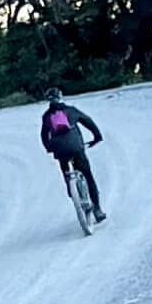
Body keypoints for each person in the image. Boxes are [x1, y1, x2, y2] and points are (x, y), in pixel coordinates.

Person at [38, 87, 105, 220]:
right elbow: (89, 121)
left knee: (66, 174)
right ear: (61, 96)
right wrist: (97, 137)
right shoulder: (71, 110)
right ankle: (97, 209)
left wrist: (49, 148)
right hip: (76, 147)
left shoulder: (47, 116)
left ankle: (73, 193)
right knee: (88, 176)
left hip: (60, 150)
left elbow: (44, 135)